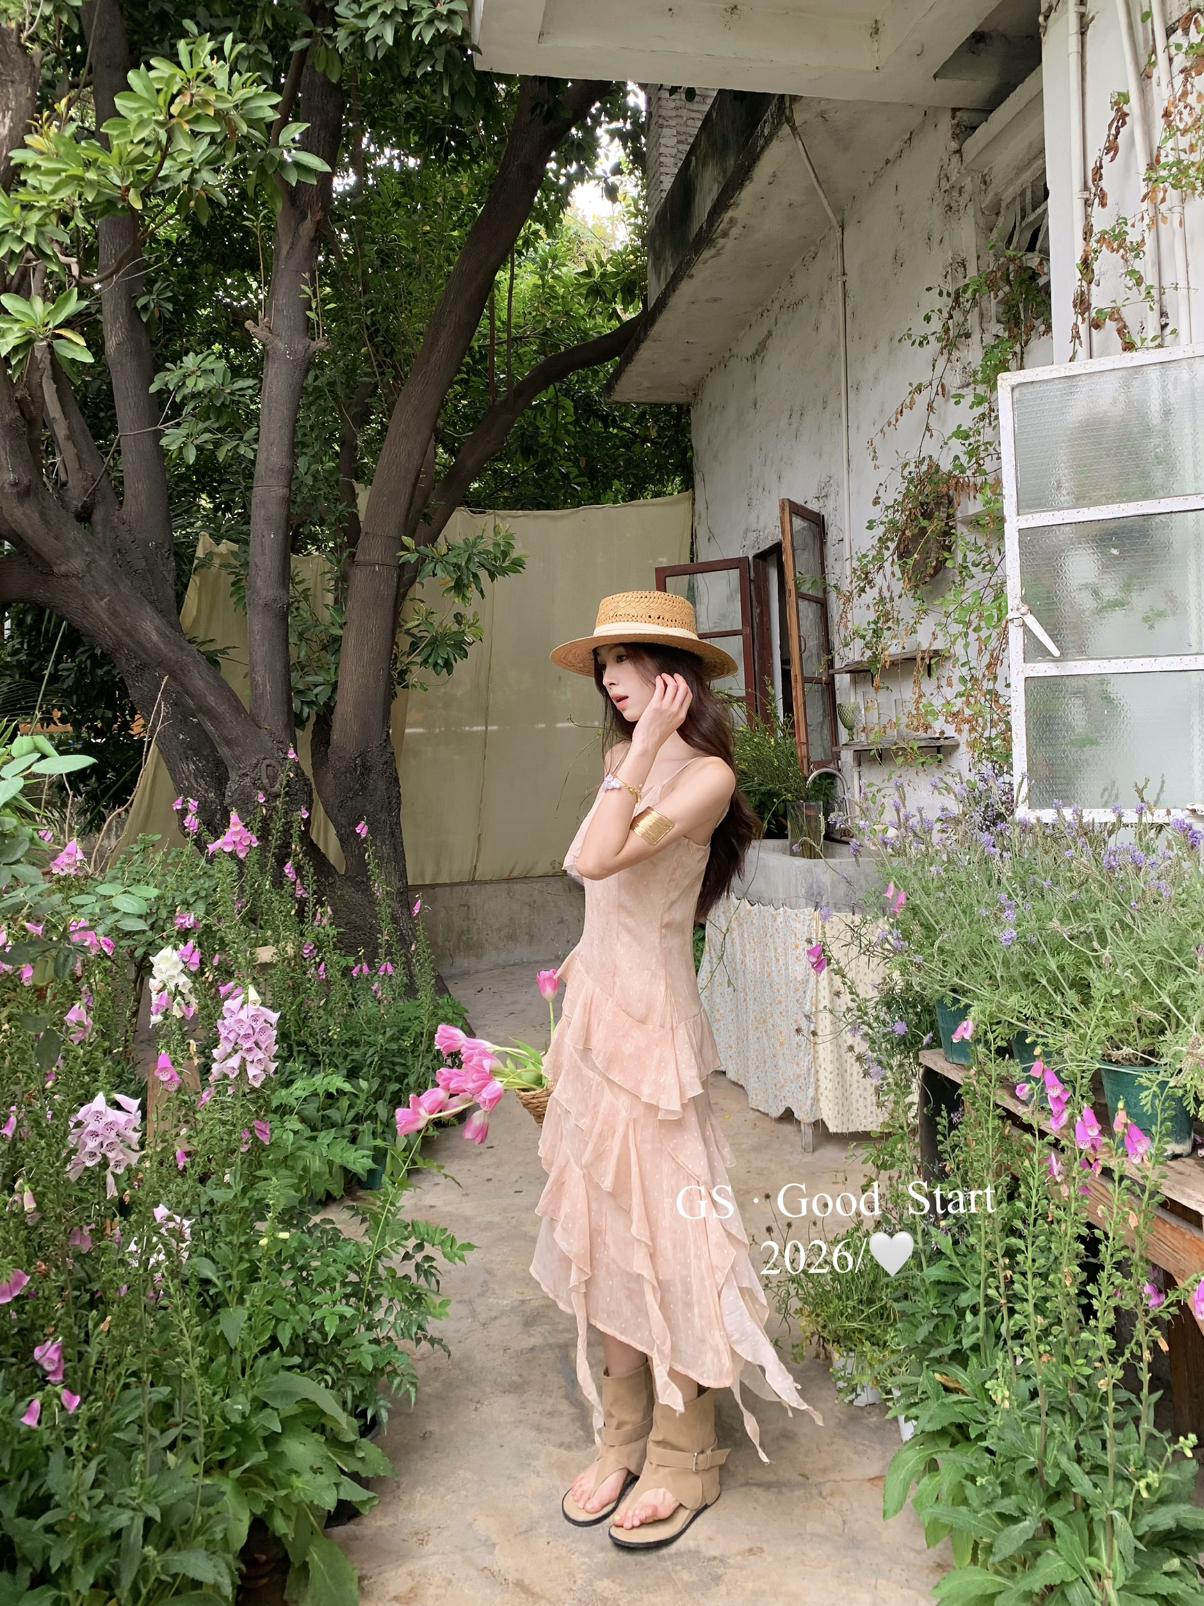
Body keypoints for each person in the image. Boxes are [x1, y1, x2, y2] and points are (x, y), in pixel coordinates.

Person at [531, 590, 821, 1552]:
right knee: (604, 1231)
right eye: (604, 662)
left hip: (653, 1031)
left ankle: (685, 1451)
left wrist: (651, 744)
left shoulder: (706, 778)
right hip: (595, 1020)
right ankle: (622, 1438)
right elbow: (587, 861)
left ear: (674, 674)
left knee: (669, 1235)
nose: (612, 678)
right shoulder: (624, 760)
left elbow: (596, 860)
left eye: (628, 659)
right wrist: (635, 751)